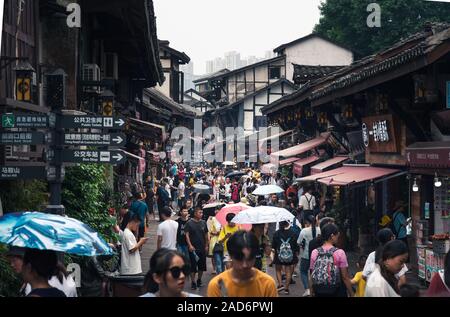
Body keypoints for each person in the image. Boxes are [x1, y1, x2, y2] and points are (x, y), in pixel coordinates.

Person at [207, 230, 278, 297]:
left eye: (249, 259)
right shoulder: (216, 285)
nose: (245, 265)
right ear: (230, 256)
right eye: (239, 258)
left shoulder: (267, 284)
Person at [7, 247, 77, 297]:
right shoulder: (60, 294)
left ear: (29, 267)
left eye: (14, 260)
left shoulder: (33, 293)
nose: (12, 265)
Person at [310, 223, 354, 297]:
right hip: (336, 290)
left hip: (319, 290)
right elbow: (345, 277)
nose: (338, 237)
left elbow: (311, 274)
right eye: (337, 235)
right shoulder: (340, 253)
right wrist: (351, 293)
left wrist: (312, 292)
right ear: (332, 236)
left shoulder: (315, 252)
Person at [184, 207, 209, 290]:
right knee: (193, 266)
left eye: (202, 213)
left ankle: (199, 279)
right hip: (193, 248)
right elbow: (187, 235)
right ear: (195, 213)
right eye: (199, 213)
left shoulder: (203, 223)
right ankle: (193, 282)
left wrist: (206, 245)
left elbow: (206, 235)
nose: (201, 214)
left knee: (202, 266)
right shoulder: (189, 223)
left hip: (202, 247)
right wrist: (190, 245)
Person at [272, 221, 299, 295]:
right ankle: (286, 288)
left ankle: (280, 285)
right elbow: (296, 245)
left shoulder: (276, 233)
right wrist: (296, 251)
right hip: (290, 255)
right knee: (288, 271)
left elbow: (273, 246)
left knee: (278, 270)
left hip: (279, 255)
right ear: (287, 223)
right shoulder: (293, 233)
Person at [297, 215, 320, 297]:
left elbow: (298, 242)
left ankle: (307, 289)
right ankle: (316, 289)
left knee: (303, 271)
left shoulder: (304, 231)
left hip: (306, 255)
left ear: (307, 222)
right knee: (316, 272)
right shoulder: (320, 230)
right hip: (318, 255)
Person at [207, 207, 223, 274]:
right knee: (213, 254)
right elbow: (209, 230)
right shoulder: (211, 219)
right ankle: (214, 269)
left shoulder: (223, 219)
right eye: (216, 210)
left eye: (218, 210)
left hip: (222, 238)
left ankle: (220, 268)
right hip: (214, 238)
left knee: (221, 254)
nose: (217, 211)